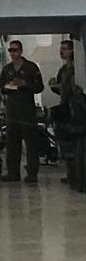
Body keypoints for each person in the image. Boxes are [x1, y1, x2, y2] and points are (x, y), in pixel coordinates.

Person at [0, 40, 45, 183]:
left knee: (31, 142)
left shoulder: (31, 67)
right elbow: (1, 86)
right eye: (10, 50)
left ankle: (32, 173)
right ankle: (13, 173)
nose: (13, 53)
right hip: (12, 109)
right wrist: (9, 86)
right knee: (12, 142)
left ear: (21, 51)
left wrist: (24, 84)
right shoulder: (7, 69)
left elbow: (39, 87)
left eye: (15, 50)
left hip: (27, 109)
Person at [49, 40, 77, 186]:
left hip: (75, 107)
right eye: (61, 49)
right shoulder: (63, 69)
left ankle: (77, 173)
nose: (62, 52)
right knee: (64, 142)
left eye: (65, 49)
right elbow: (62, 88)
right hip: (64, 107)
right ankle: (70, 173)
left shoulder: (76, 68)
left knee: (74, 142)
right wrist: (54, 86)